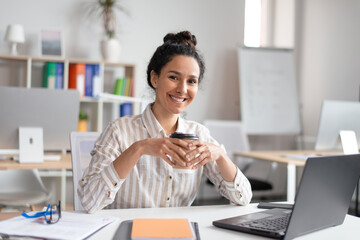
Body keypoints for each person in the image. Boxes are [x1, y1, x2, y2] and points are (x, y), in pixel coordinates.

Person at [78, 31, 252, 213]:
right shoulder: (119, 131)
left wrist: (221, 155)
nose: (182, 89)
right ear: (155, 78)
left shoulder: (199, 135)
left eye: (191, 81)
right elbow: (90, 202)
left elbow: (243, 197)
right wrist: (139, 149)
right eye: (173, 77)